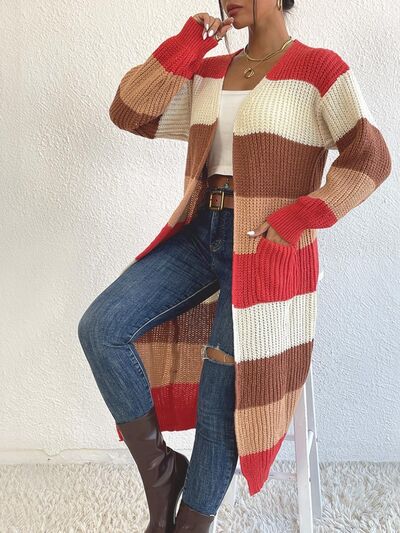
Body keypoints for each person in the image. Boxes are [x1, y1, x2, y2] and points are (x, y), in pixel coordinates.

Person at [78, 1, 392, 531]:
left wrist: (299, 217)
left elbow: (371, 158)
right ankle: (161, 473)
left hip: (266, 248)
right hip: (203, 233)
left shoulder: (319, 69)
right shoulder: (210, 70)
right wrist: (188, 44)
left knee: (221, 396)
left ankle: (189, 525)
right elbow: (128, 111)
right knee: (101, 327)